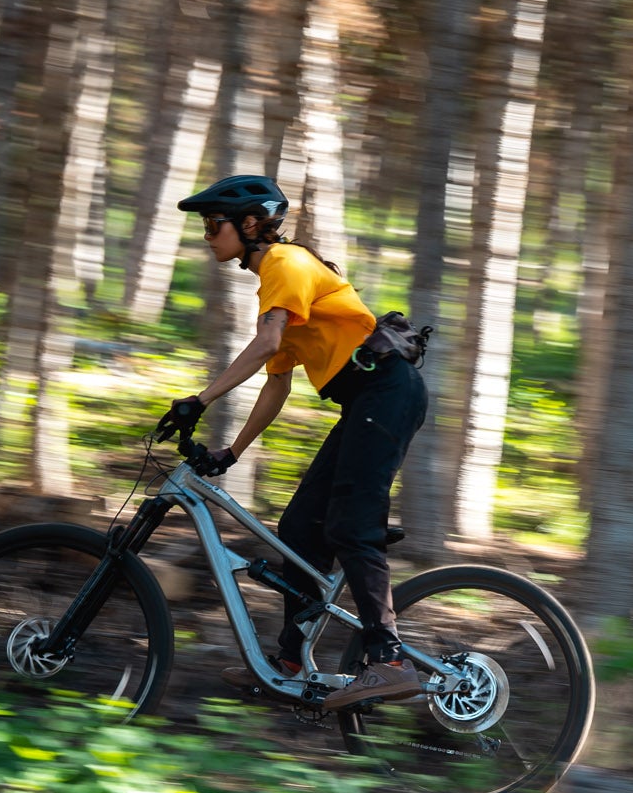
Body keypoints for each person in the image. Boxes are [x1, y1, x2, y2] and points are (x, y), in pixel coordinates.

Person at [153, 174, 429, 711]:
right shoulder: (277, 280)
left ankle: (390, 661)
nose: (208, 236)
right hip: (369, 401)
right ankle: (290, 660)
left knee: (351, 527)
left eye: (214, 225)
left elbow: (266, 343)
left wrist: (199, 399)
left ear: (250, 225)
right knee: (301, 529)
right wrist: (231, 452)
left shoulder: (284, 264)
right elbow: (276, 379)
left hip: (388, 392)